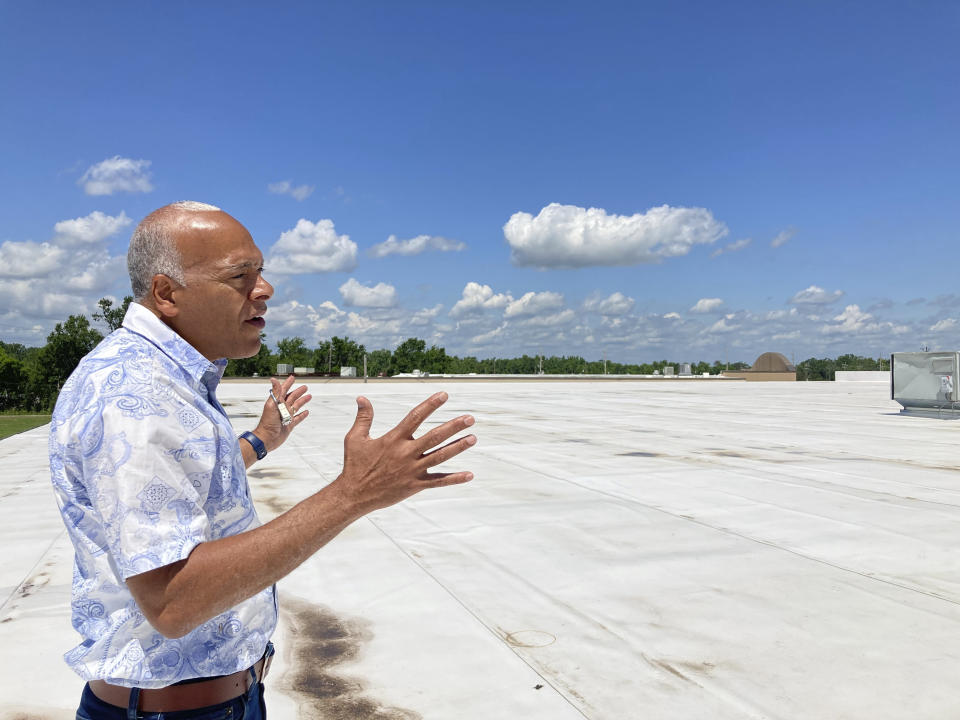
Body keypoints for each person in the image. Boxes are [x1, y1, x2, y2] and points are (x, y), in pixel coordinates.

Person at [49, 201, 476, 718]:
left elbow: (178, 484)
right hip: (175, 711)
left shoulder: (159, 378)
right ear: (166, 293)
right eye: (239, 275)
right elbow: (172, 601)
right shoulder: (134, 396)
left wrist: (262, 439)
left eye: (261, 271)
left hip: (211, 699)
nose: (264, 289)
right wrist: (354, 493)